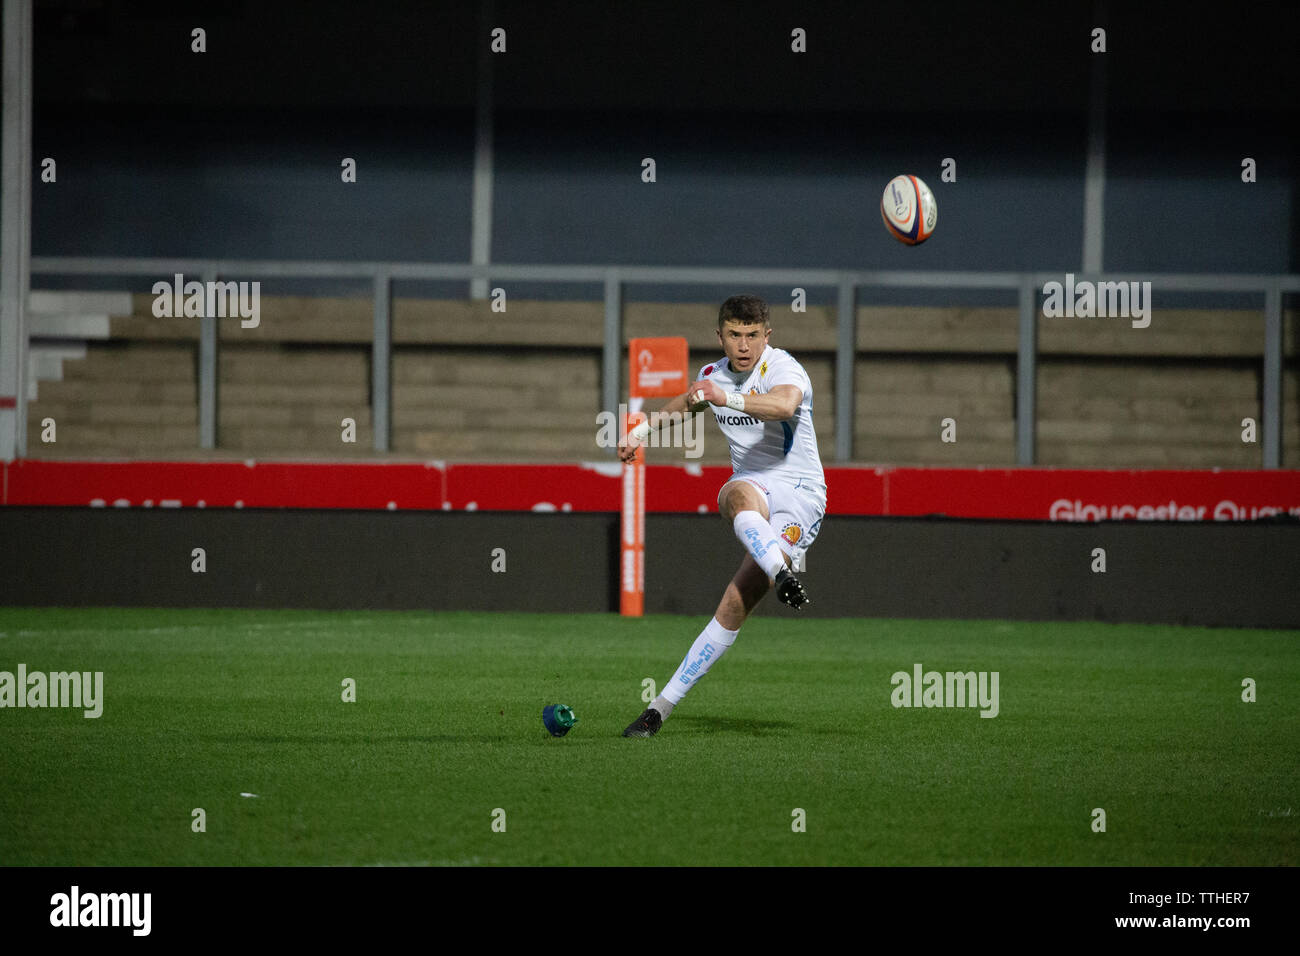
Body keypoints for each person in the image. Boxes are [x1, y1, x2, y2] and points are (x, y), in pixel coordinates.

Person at [618, 294, 827, 738]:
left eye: (753, 335)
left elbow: (785, 406)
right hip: (754, 488)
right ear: (720, 336)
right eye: (735, 335)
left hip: (802, 494)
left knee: (735, 498)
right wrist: (642, 430)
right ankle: (658, 710)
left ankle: (778, 570)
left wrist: (727, 397)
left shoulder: (784, 368)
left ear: (767, 336)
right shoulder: (711, 376)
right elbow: (690, 402)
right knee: (733, 577)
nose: (744, 345)